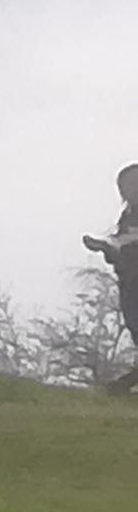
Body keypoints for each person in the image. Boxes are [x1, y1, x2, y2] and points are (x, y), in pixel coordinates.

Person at [85, 166, 138, 389]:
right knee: (135, 325)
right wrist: (106, 248)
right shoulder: (127, 216)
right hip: (129, 279)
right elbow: (119, 250)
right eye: (124, 186)